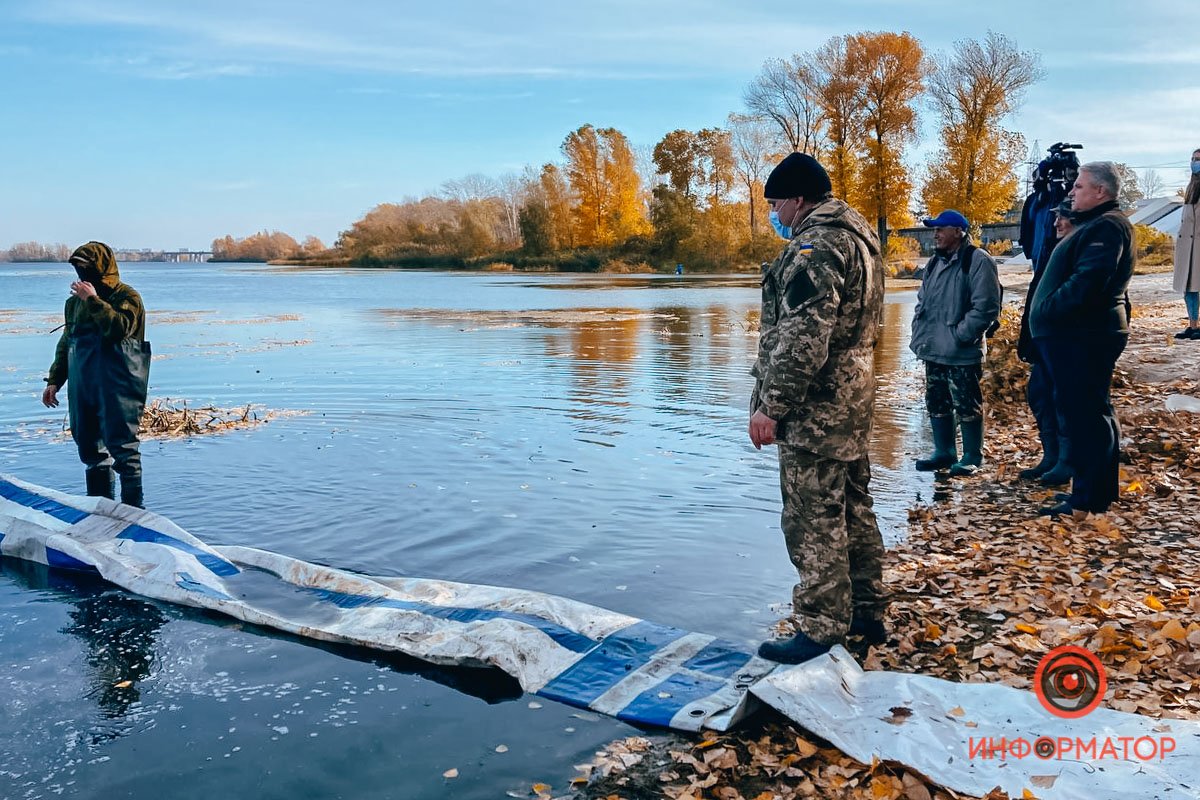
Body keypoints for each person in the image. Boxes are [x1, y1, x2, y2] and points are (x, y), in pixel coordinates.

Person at [750, 152, 887, 664]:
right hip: (852, 399)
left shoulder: (816, 245)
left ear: (799, 198)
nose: (776, 215)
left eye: (777, 204)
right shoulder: (860, 238)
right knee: (854, 506)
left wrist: (772, 405)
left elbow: (805, 336)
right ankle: (868, 611)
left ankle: (821, 627)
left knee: (813, 516)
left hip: (817, 408)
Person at [1028, 162, 1134, 519]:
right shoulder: (1099, 225)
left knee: (1086, 417)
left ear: (1100, 192)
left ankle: (1088, 499)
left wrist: (1046, 310)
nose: (1071, 192)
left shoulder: (1108, 227)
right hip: (1081, 334)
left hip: (1085, 336)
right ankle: (1097, 493)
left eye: (1079, 187)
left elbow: (1088, 283)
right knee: (1092, 412)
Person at [42, 242, 150, 508]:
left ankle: (134, 515)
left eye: (86, 268)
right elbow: (67, 342)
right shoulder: (73, 305)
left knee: (124, 450)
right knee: (90, 450)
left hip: (119, 385)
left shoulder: (127, 297)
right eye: (78, 268)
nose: (81, 274)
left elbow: (118, 329)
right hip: (83, 386)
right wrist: (54, 380)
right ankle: (101, 513)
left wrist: (93, 300)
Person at [909, 210, 1002, 476]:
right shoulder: (934, 263)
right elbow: (923, 302)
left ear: (958, 232)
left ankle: (972, 455)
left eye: (941, 229)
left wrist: (962, 336)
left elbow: (986, 307)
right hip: (934, 348)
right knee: (936, 400)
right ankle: (944, 452)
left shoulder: (977, 260)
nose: (935, 234)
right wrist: (919, 331)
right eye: (934, 229)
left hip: (961, 350)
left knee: (966, 402)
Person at [1016, 200, 1076, 485]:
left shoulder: (1078, 249)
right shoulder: (1053, 249)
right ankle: (1051, 456)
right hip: (1043, 342)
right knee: (1039, 395)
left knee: (1063, 400)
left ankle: (1067, 462)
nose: (1055, 224)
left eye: (1061, 218)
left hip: (1065, 341)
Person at [1173, 148, 1200, 339]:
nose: (1194, 162)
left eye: (1198, 159)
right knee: (1189, 287)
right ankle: (1193, 325)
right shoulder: (1191, 187)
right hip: (1187, 246)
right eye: (1193, 159)